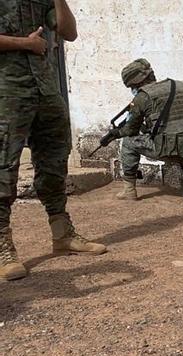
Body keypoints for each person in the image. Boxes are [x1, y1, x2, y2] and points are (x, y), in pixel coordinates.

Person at [1, 0, 107, 281]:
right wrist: (24, 44)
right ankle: (3, 247)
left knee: (54, 158)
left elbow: (68, 32)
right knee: (3, 165)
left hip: (45, 87)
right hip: (6, 90)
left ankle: (62, 233)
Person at [97, 58, 183, 206]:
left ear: (136, 83)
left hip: (169, 149)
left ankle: (129, 191)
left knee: (128, 142)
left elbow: (130, 129)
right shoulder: (181, 85)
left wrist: (116, 134)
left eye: (131, 86)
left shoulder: (142, 97)